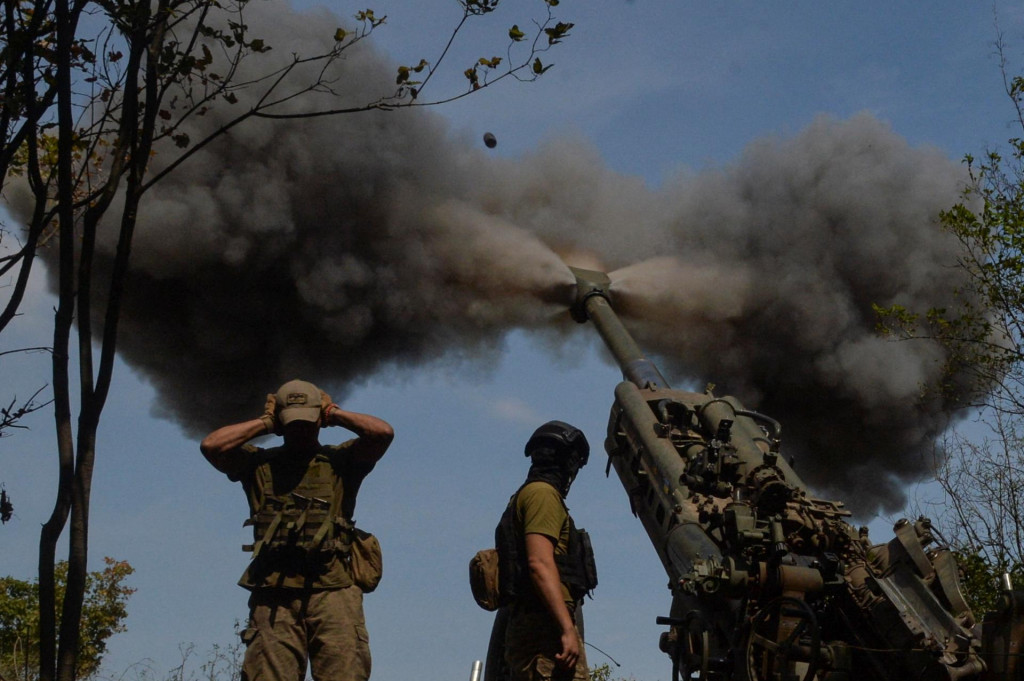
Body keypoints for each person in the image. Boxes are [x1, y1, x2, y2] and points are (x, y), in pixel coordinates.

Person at [200, 379, 394, 681]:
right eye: (292, 423)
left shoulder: (342, 461)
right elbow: (212, 446)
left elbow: (382, 433)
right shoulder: (257, 464)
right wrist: (266, 423)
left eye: (307, 421)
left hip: (333, 590)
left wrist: (334, 414)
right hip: (274, 594)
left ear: (319, 420)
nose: (300, 429)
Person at [497, 420, 597, 681]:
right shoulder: (543, 495)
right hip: (545, 630)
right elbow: (539, 563)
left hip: (536, 623)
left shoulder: (528, 494)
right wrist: (566, 629)